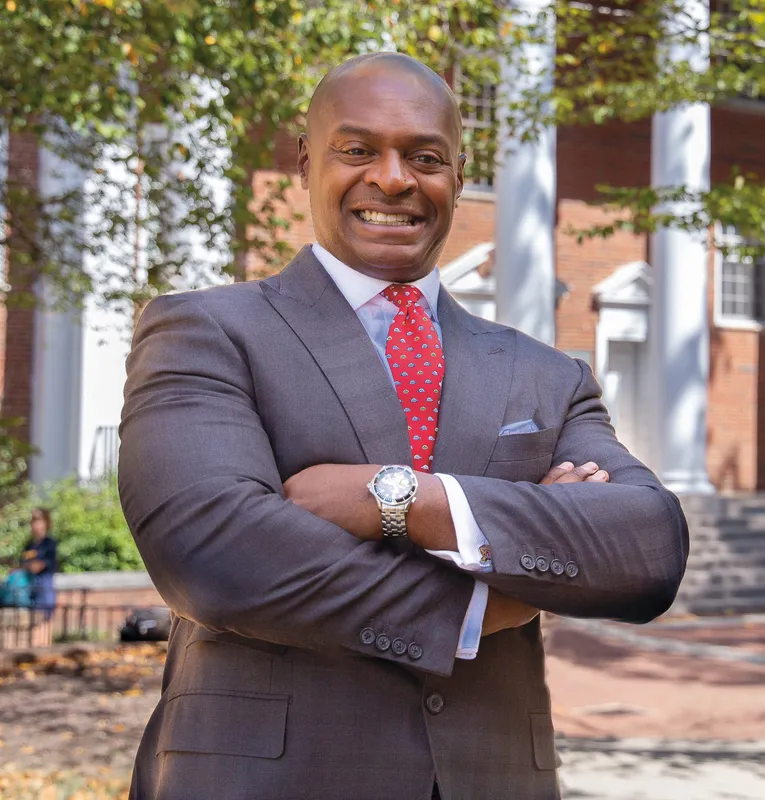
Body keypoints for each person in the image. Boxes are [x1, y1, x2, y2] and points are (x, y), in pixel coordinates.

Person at [118, 53, 689, 800]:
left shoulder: (548, 375)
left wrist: (401, 499)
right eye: (358, 149)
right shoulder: (205, 332)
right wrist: (489, 600)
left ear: (458, 173)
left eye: (424, 157)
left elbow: (645, 547)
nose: (392, 180)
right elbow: (213, 552)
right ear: (305, 161)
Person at [0, 508, 58, 618]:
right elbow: (24, 565)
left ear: (46, 522)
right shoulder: (29, 545)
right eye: (33, 520)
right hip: (27, 592)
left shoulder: (49, 543)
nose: (35, 524)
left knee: (43, 624)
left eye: (38, 520)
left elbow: (38, 566)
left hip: (42, 590)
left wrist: (25, 567)